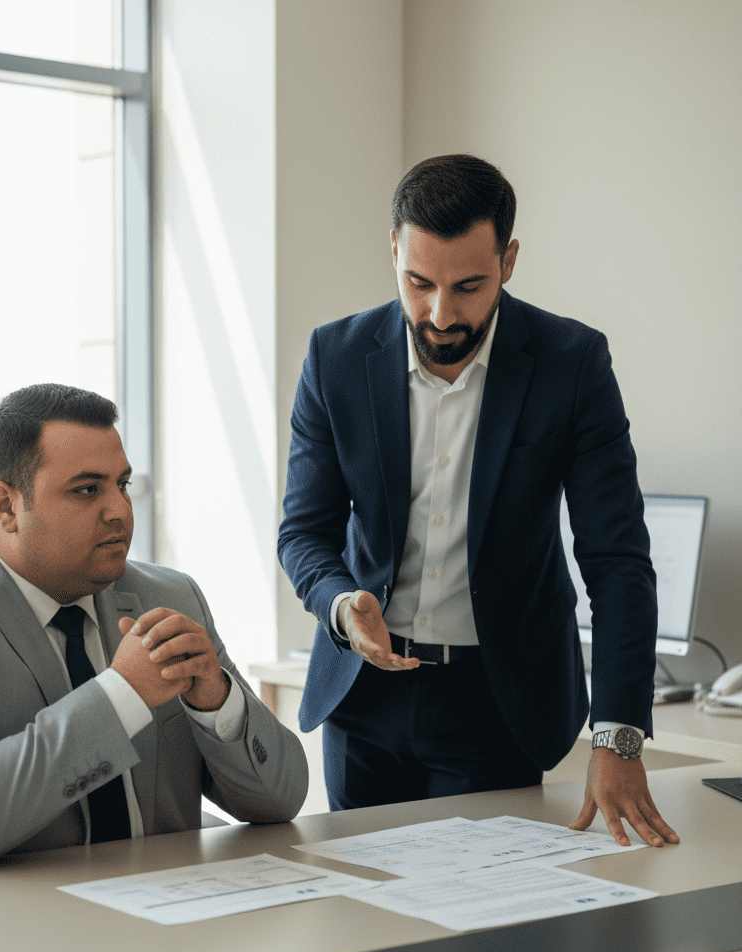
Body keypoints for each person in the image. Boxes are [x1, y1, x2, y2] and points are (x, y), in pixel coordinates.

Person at [278, 153, 678, 849]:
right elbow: (304, 533)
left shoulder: (571, 364)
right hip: (362, 698)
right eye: (418, 283)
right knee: (361, 903)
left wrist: (617, 736)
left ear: (508, 261)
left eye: (468, 286)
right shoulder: (335, 359)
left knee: (479, 912)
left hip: (497, 702)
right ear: (394, 251)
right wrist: (341, 604)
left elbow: (616, 560)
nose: (440, 314)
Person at [0, 384, 308, 876]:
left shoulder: (169, 596)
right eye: (87, 490)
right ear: (6, 507)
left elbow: (281, 801)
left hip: (147, 902)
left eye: (122, 484)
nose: (120, 510)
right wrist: (123, 694)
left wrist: (218, 704)